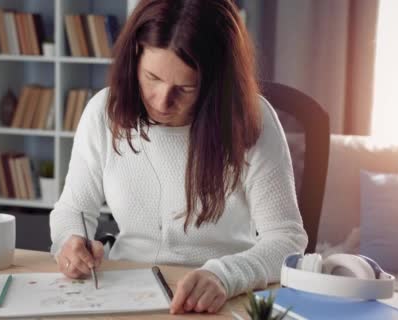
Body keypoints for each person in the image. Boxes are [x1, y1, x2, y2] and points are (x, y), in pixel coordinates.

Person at [49, 0, 307, 314]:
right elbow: (72, 210)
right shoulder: (104, 113)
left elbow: (286, 239)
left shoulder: (252, 120)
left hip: (219, 298)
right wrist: (70, 241)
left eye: (185, 88)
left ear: (217, 85)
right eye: (152, 78)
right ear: (134, 60)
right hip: (124, 290)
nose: (162, 101)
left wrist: (225, 276)